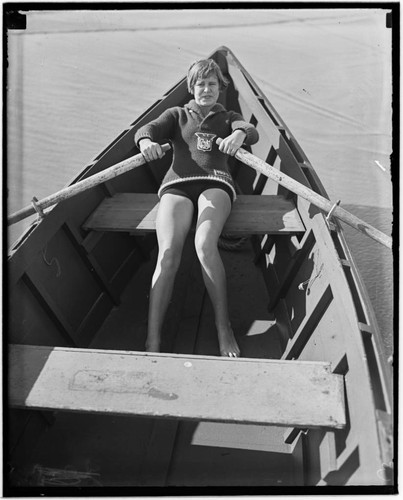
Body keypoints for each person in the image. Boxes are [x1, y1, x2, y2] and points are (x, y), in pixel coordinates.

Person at [134, 58, 259, 357]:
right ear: (191, 88)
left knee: (204, 244)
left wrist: (239, 135)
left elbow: (248, 129)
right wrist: (145, 143)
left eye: (212, 84)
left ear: (220, 88)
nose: (206, 89)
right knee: (166, 255)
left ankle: (222, 328)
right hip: (177, 185)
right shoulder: (177, 114)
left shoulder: (227, 116)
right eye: (200, 84)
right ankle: (153, 339)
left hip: (215, 183)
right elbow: (146, 129)